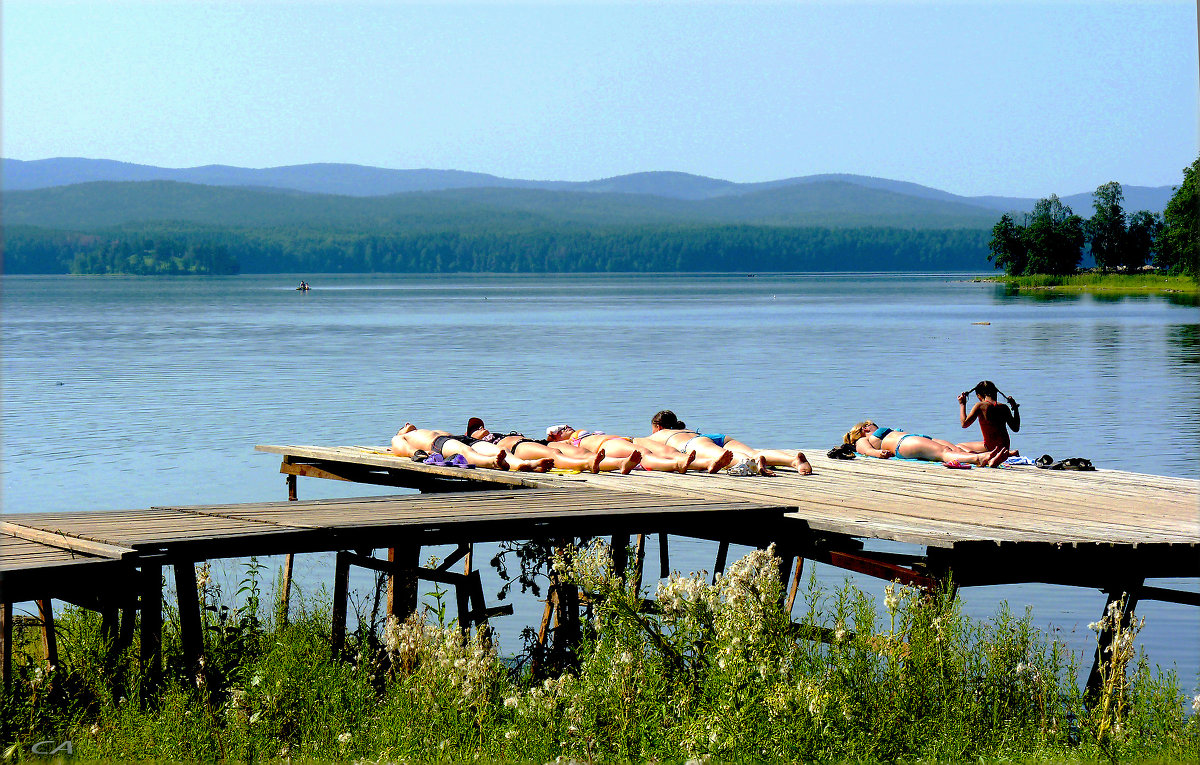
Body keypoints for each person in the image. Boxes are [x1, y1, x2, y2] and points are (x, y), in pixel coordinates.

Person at [645, 410, 812, 476]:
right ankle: (793, 460)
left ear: (658, 427)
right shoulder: (685, 429)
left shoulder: (657, 436)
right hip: (715, 436)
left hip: (693, 443)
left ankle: (753, 464)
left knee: (724, 457)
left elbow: (646, 452)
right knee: (753, 452)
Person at [464, 417, 642, 474]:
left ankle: (619, 463)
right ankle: (603, 464)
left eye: (481, 425)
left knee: (581, 451)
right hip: (517, 447)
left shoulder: (498, 433)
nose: (482, 428)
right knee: (554, 454)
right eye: (476, 428)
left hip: (533, 442)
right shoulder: (479, 443)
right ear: (469, 435)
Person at [389, 423, 552, 472]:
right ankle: (492, 463)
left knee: (499, 450)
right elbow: (400, 447)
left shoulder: (428, 429)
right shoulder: (401, 437)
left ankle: (523, 464)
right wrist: (416, 453)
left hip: (460, 438)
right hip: (438, 443)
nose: (406, 424)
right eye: (402, 426)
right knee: (465, 452)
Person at [844, 420, 1008, 467]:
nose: (876, 425)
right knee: (943, 452)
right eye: (873, 424)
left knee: (954, 449)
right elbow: (864, 450)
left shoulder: (875, 433)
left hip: (915, 439)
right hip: (903, 444)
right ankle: (980, 459)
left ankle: (986, 459)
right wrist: (878, 453)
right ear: (865, 428)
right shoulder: (862, 439)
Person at [544, 425, 697, 473]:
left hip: (626, 439)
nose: (566, 427)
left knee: (669, 451)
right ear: (554, 437)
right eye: (561, 429)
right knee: (645, 454)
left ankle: (707, 462)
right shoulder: (567, 443)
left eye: (565, 425)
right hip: (608, 445)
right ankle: (676, 465)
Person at [957, 381, 1020, 455]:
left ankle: (1005, 454)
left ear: (979, 395)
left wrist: (962, 404)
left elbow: (964, 424)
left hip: (990, 447)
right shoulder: (1004, 407)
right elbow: (1016, 428)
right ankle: (1006, 452)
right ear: (995, 393)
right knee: (981, 444)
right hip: (1005, 446)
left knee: (959, 446)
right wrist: (1015, 408)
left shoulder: (980, 406)